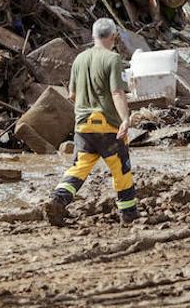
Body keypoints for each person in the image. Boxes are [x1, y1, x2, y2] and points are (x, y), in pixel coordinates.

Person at [43, 18, 140, 226]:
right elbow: (116, 92)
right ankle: (129, 214)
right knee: (120, 169)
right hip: (107, 126)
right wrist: (125, 119)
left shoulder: (79, 59)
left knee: (80, 167)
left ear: (93, 36)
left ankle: (58, 199)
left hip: (83, 125)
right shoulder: (113, 59)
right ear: (113, 37)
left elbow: (72, 94)